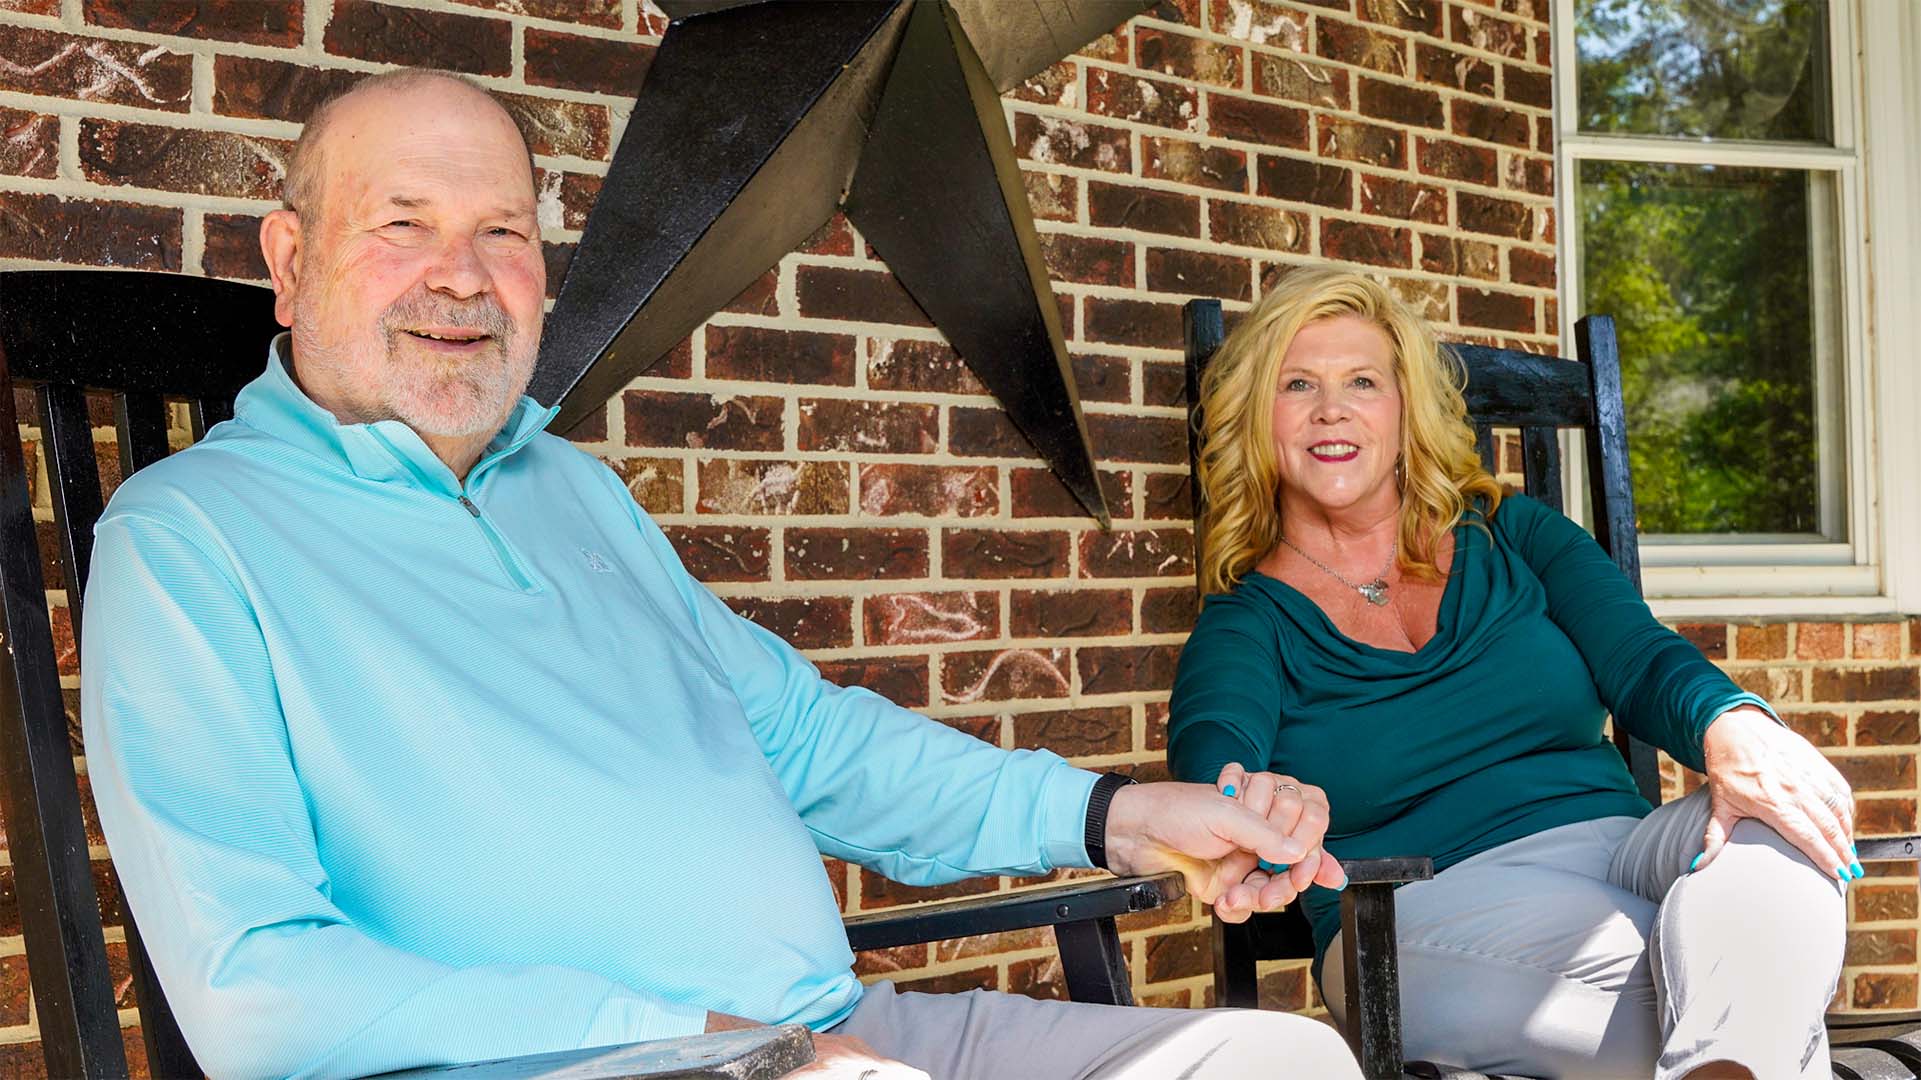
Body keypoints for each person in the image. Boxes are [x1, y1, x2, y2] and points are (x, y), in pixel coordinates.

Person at [78, 69, 1364, 1080]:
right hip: (600, 1066)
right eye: (401, 226)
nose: (460, 276)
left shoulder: (566, 488)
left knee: (1275, 1057)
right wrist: (700, 1039)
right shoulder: (189, 541)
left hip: (825, 1036)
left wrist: (1115, 814)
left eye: (502, 233)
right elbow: (254, 985)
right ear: (289, 263)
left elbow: (804, 739)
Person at [1168, 267, 1853, 1079]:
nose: (1331, 408)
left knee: (1785, 811)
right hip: (1411, 912)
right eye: (1296, 384)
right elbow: (1215, 759)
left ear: (1403, 409)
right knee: (1744, 991)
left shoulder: (1514, 533)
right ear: (1260, 419)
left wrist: (1730, 725)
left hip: (1621, 848)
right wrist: (1243, 803)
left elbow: (1638, 656)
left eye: (1361, 381)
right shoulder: (1249, 620)